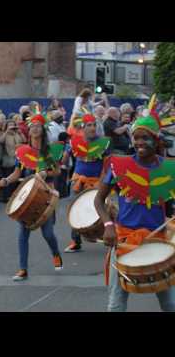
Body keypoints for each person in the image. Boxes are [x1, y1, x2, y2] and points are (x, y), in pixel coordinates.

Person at [94, 111, 175, 312]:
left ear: (156, 141)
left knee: (170, 303)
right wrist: (108, 225)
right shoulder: (119, 166)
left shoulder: (169, 169)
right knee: (116, 304)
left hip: (158, 241)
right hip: (124, 240)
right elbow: (98, 200)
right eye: (136, 137)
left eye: (145, 138)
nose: (139, 142)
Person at [0, 113, 63, 281]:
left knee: (48, 234)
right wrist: (4, 181)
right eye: (32, 126)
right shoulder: (23, 151)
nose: (34, 129)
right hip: (27, 196)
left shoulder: (50, 150)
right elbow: (17, 173)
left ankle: (55, 253)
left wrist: (46, 172)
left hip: (46, 195)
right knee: (23, 233)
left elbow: (58, 171)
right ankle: (23, 269)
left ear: (43, 130)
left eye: (38, 126)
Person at [64, 113, 111, 253]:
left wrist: (102, 182)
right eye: (89, 125)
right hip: (78, 181)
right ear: (83, 127)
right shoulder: (75, 141)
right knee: (74, 210)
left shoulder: (103, 142)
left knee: (102, 210)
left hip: (96, 182)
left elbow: (107, 164)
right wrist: (65, 154)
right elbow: (65, 160)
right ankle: (75, 241)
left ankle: (108, 236)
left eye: (94, 125)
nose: (92, 128)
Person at [0, 119, 26, 202]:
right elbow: (0, 141)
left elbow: (24, 141)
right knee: (8, 176)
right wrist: (7, 131)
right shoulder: (5, 134)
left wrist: (20, 132)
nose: (11, 127)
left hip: (18, 157)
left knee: (16, 179)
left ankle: (12, 195)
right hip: (8, 158)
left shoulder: (17, 134)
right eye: (9, 125)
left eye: (13, 125)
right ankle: (5, 196)